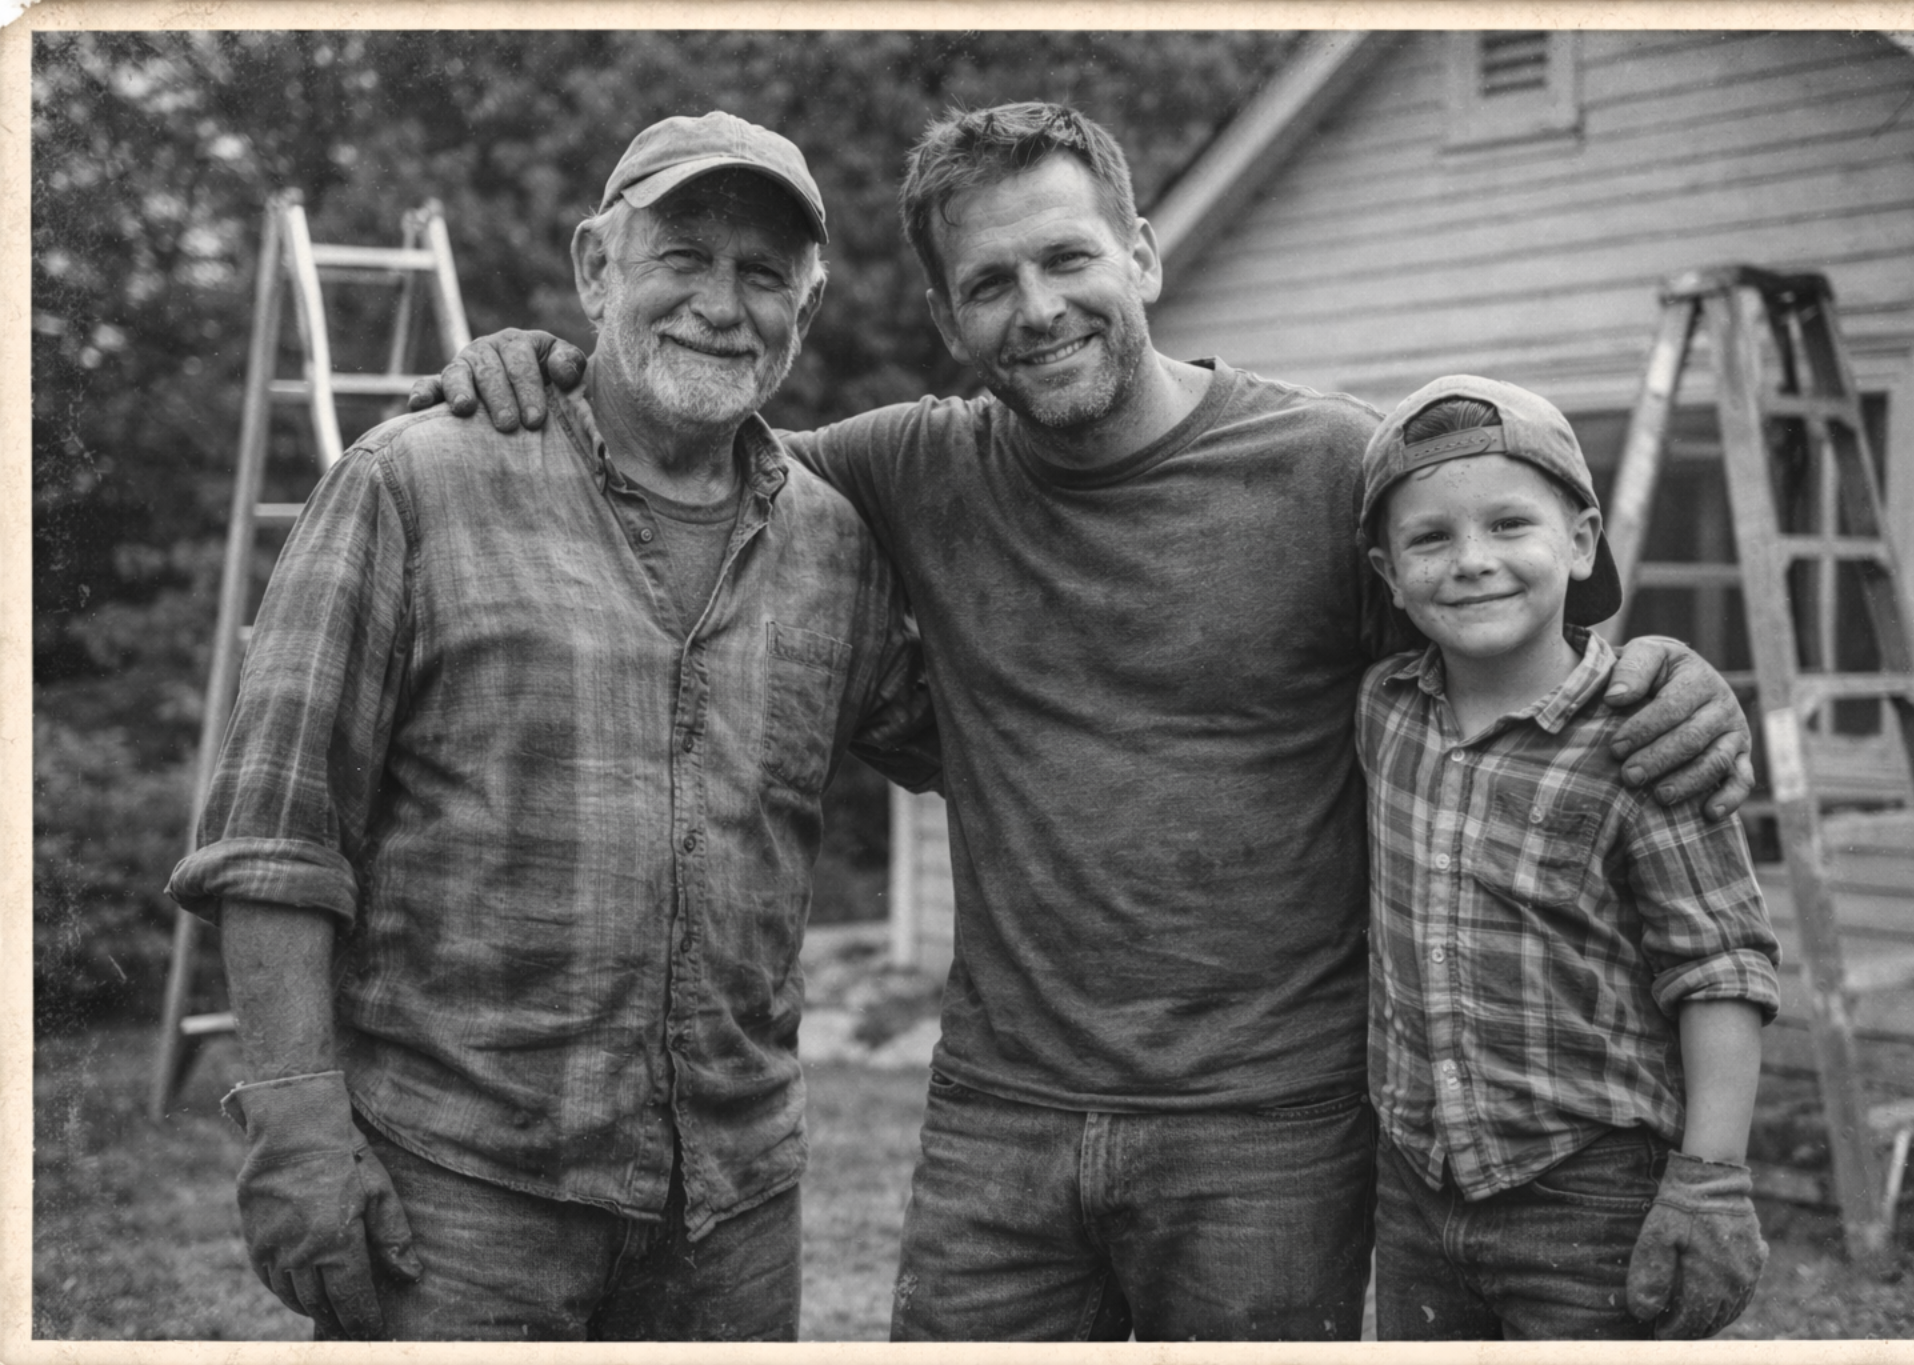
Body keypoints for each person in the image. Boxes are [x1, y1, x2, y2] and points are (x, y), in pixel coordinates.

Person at [413, 102, 1757, 1342]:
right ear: (948, 316)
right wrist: (545, 372)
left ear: (1145, 255)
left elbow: (1507, 645)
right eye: (990, 283)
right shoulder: (904, 468)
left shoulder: (1331, 470)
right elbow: (687, 446)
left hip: (1267, 1128)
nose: (1038, 307)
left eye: (1067, 260)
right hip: (1000, 1118)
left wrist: (1660, 676)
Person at [167, 112, 937, 1342]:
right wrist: (297, 1126)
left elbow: (983, 735)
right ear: (595, 268)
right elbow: (273, 837)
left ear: (809, 302)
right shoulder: (415, 480)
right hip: (458, 1199)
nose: (720, 305)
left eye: (761, 275)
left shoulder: (835, 548)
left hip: (732, 1211)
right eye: (681, 257)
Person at [1355, 374, 1779, 1341]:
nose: (1472, 562)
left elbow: (1718, 964)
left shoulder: (1644, 735)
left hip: (1587, 1188)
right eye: (1431, 538)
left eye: (1511, 525)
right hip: (1416, 1182)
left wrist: (1710, 1180)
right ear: (1386, 572)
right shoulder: (1379, 708)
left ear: (1582, 540)